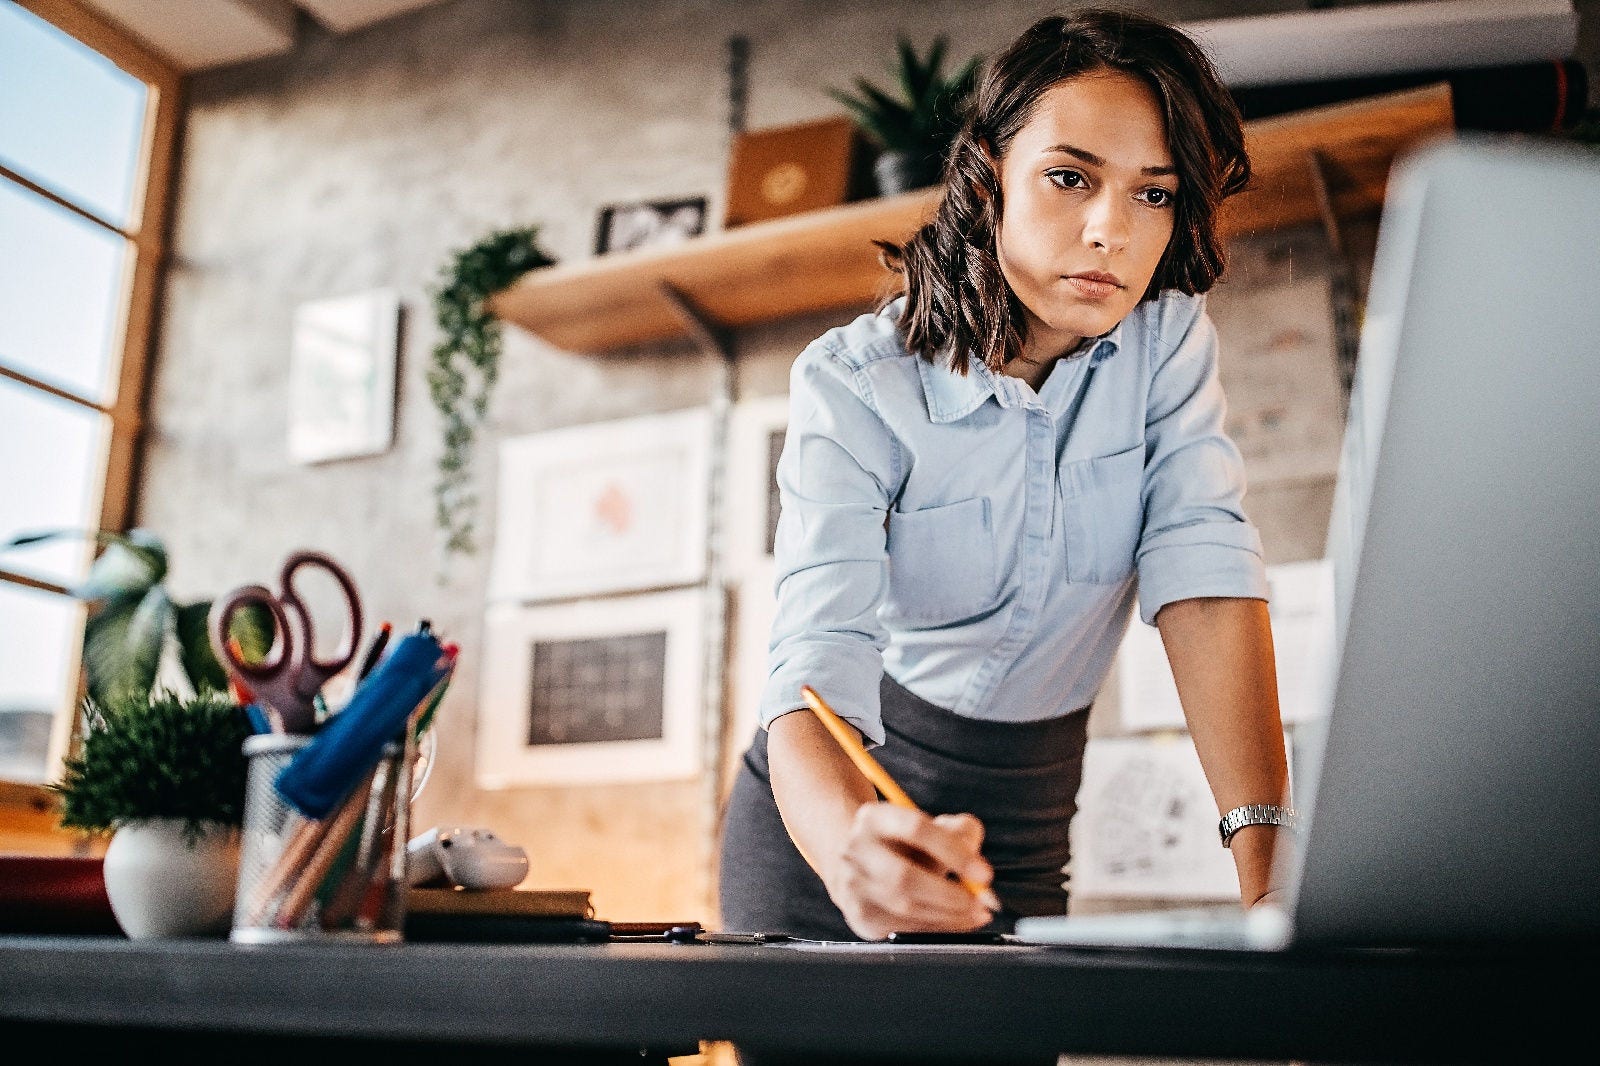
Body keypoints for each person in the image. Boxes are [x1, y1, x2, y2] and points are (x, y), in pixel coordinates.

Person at [718, 7, 1293, 945]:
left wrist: (1268, 872)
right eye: (1070, 178)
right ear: (988, 176)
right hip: (837, 829)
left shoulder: (1168, 340)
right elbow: (816, 657)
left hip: (1022, 834)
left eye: (1155, 193)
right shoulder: (856, 384)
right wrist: (852, 846)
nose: (1112, 229)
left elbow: (1206, 573)